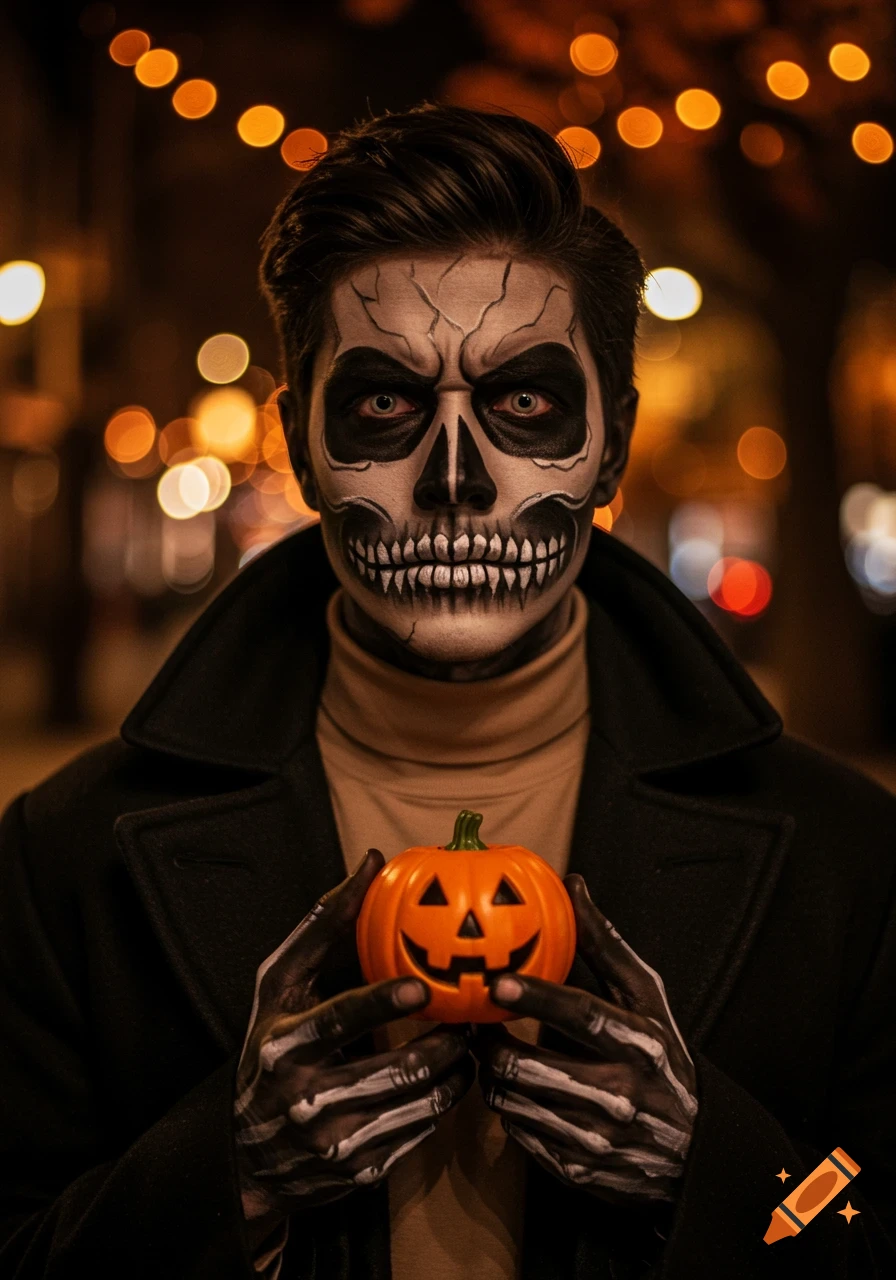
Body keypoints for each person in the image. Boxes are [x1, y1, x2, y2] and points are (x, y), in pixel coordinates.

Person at [1, 104, 894, 1280]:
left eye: (525, 404)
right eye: (382, 406)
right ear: (301, 443)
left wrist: (721, 1168)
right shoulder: (68, 860)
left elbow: (860, 1217)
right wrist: (228, 1175)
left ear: (611, 440)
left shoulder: (848, 857)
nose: (458, 480)